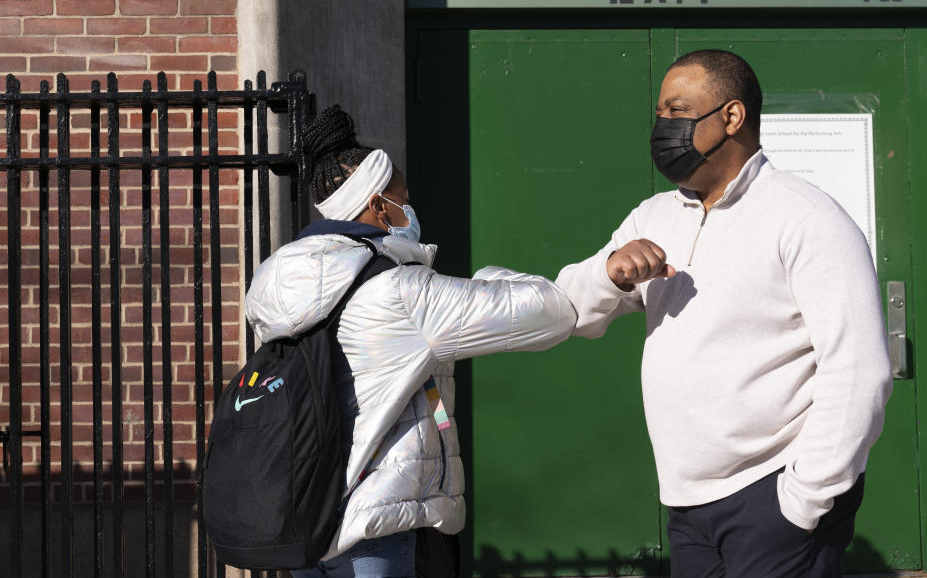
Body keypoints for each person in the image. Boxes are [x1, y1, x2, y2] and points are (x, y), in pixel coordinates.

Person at [555, 49, 892, 577]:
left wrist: (803, 500)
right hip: (687, 501)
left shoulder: (805, 218)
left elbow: (859, 372)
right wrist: (611, 274)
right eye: (660, 113)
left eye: (677, 110)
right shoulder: (655, 216)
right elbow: (573, 310)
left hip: (773, 494)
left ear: (731, 117)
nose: (662, 126)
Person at [243, 105, 576, 578]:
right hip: (379, 526)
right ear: (379, 207)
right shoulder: (399, 290)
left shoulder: (276, 288)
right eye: (405, 198)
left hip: (306, 517)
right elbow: (552, 313)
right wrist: (488, 278)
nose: (411, 209)